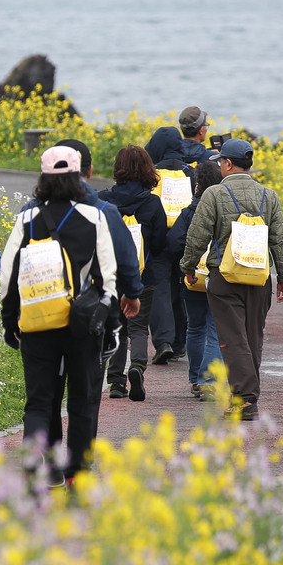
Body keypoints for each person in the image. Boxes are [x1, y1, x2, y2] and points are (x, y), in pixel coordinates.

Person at [0, 145, 119, 484]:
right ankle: (78, 476)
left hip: (38, 321)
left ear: (43, 177)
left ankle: (39, 462)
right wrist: (110, 327)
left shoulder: (26, 219)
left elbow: (8, 276)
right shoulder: (94, 218)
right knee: (81, 401)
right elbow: (107, 279)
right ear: (79, 175)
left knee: (39, 401)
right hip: (82, 324)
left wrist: (12, 323)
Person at [22, 138, 142, 433]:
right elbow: (126, 259)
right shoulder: (104, 211)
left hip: (41, 312)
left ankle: (46, 461)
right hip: (90, 316)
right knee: (85, 395)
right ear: (87, 173)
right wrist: (132, 293)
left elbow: (15, 265)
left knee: (43, 394)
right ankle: (79, 468)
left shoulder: (30, 211)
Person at [181, 138, 283, 420]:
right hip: (259, 277)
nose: (219, 166)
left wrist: (188, 266)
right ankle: (247, 396)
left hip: (224, 279)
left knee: (232, 338)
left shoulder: (214, 194)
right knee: (253, 337)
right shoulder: (269, 196)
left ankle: (244, 399)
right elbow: (279, 241)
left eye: (220, 162)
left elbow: (198, 236)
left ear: (228, 163)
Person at [99, 146, 168, 402]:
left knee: (115, 327)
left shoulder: (102, 200)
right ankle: (137, 366)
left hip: (109, 273)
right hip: (143, 275)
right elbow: (161, 241)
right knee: (138, 326)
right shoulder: (152, 202)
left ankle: (116, 382)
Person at [165, 161, 225, 398]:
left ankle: (195, 380)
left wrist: (186, 263)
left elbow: (174, 242)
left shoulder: (189, 211)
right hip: (217, 275)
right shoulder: (224, 207)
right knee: (214, 328)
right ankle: (207, 379)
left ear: (199, 184)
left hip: (192, 277)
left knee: (195, 327)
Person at [145, 126, 197, 365]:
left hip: (159, 242)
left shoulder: (151, 173)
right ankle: (179, 344)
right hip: (185, 240)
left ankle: (163, 342)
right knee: (183, 291)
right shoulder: (190, 173)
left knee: (160, 291)